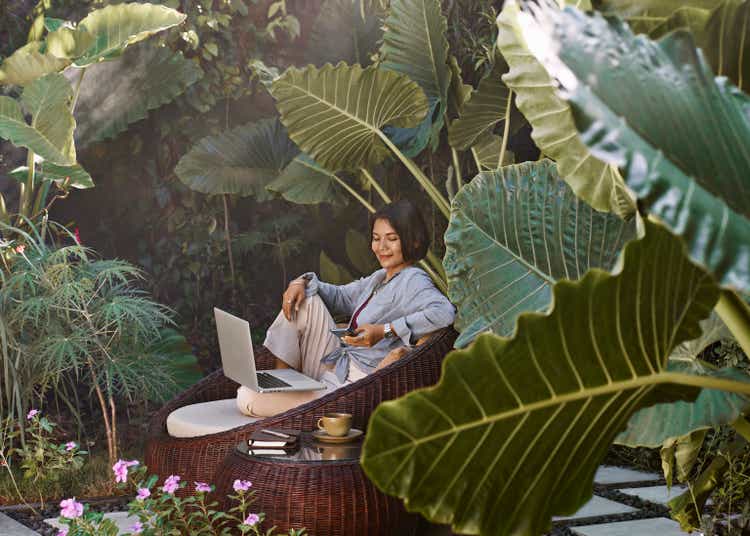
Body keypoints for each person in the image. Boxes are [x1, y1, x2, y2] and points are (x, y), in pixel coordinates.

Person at [236, 200, 456, 418]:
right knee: (304, 300)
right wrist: (299, 283)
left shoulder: (413, 280)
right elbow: (339, 296)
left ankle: (285, 392)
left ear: (414, 241)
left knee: (246, 396)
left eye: (392, 239)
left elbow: (445, 311)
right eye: (376, 239)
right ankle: (282, 380)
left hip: (351, 387)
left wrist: (385, 330)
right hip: (335, 366)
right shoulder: (379, 278)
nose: (381, 247)